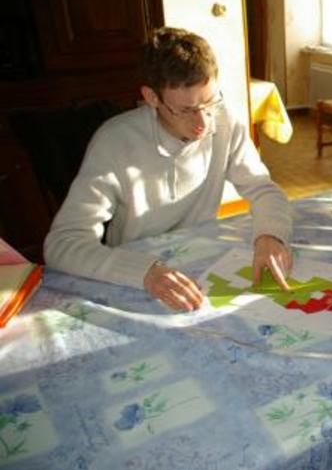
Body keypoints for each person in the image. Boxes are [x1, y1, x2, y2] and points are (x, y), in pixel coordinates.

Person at [45, 27, 293, 311]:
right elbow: (61, 244)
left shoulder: (225, 119)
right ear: (151, 97)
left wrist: (270, 235)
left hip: (201, 259)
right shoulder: (114, 141)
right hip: (136, 271)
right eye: (186, 110)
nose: (203, 122)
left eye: (210, 101)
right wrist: (145, 272)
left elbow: (263, 189)